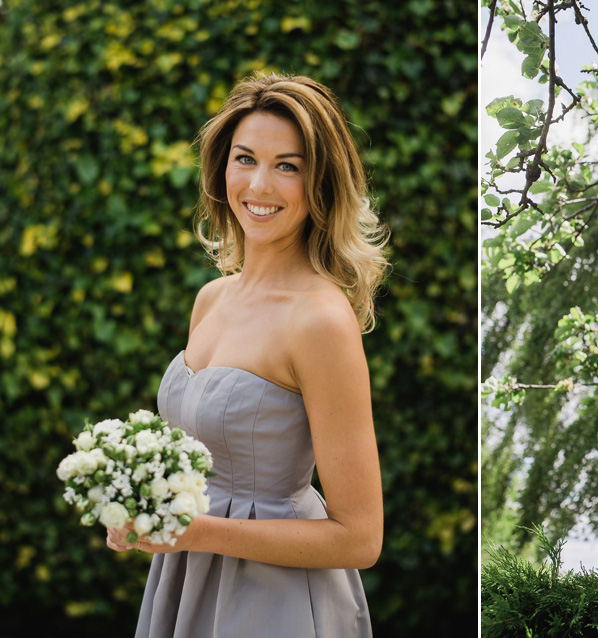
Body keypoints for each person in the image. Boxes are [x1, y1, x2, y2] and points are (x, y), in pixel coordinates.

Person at [105, 72, 389, 638]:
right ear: (220, 169)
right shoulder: (211, 298)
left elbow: (361, 538)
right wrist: (136, 506)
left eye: (288, 165)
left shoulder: (321, 321)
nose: (259, 185)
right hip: (185, 583)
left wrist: (193, 532)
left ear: (321, 183)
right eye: (244, 159)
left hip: (274, 604)